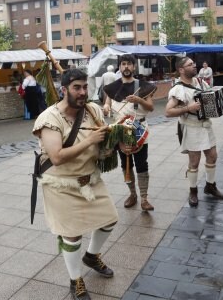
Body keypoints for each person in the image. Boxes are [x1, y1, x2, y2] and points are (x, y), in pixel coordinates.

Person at [33, 68, 118, 300]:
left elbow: (105, 139)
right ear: (64, 90)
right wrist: (89, 139)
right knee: (72, 236)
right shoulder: (49, 118)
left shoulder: (92, 110)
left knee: (109, 220)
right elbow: (57, 157)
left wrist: (121, 144)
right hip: (61, 184)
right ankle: (75, 280)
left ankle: (91, 256)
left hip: (89, 179)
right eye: (76, 88)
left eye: (84, 87)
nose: (82, 92)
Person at [165, 57, 223, 207]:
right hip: (191, 127)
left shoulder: (200, 82)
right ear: (181, 70)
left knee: (212, 156)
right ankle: (193, 191)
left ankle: (210, 186)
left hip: (205, 125)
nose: (194, 65)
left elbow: (211, 98)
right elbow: (168, 111)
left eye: (193, 64)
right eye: (190, 65)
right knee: (194, 162)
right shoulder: (178, 89)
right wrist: (187, 108)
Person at [102, 54, 157, 211]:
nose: (126, 67)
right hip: (120, 130)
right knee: (126, 165)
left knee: (142, 164)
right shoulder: (111, 88)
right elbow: (107, 104)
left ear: (134, 67)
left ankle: (144, 198)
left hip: (139, 130)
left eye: (129, 64)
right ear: (120, 67)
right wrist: (106, 108)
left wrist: (139, 100)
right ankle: (132, 194)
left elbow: (151, 108)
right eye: (123, 64)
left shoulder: (144, 86)